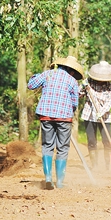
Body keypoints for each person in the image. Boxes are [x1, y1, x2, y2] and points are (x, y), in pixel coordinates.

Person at [27, 56, 84, 189]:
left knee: (47, 146)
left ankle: (48, 178)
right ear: (72, 71)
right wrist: (69, 112)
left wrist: (37, 75)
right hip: (64, 117)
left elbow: (31, 85)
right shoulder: (72, 81)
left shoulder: (48, 74)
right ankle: (59, 182)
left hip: (46, 115)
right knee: (62, 148)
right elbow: (74, 103)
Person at [81, 61, 111, 170]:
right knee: (91, 141)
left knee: (107, 141)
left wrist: (101, 112)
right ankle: (95, 166)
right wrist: (82, 87)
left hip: (104, 117)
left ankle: (108, 165)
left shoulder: (109, 86)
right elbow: (79, 94)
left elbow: (109, 102)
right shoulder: (88, 83)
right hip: (89, 115)